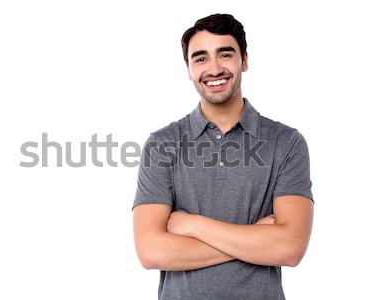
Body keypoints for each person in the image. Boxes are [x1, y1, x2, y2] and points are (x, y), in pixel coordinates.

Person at [132, 13, 314, 300]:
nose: (213, 68)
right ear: (189, 68)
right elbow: (151, 252)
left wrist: (191, 225)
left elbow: (290, 248)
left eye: (225, 54)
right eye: (200, 58)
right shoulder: (162, 145)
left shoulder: (286, 143)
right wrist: (255, 237)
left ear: (244, 60)